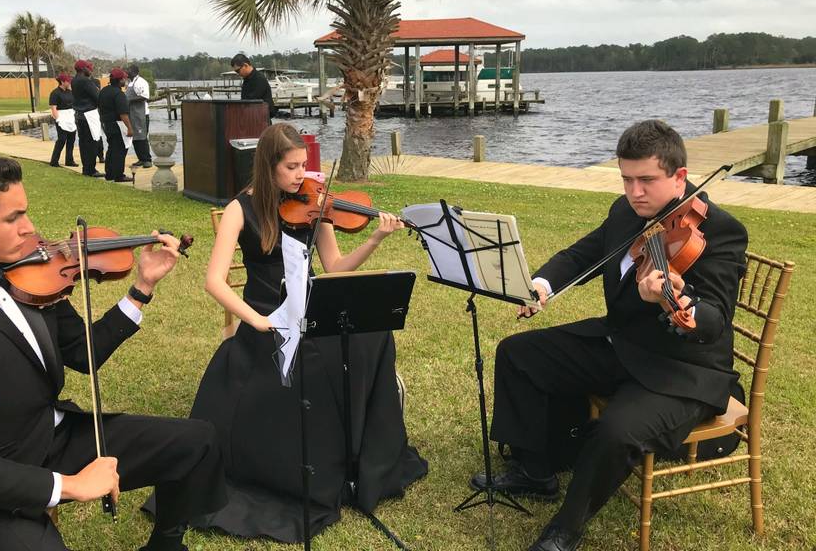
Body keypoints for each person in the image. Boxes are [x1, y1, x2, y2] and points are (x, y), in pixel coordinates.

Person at [0, 149, 226, 551]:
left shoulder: (27, 273)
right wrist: (70, 485)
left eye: (25, 212)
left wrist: (142, 288)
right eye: (13, 218)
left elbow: (82, 353)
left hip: (53, 437)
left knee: (197, 441)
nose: (32, 229)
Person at [146, 123, 427, 543]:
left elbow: (335, 267)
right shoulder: (241, 209)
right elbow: (215, 282)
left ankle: (359, 462)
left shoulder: (315, 205)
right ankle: (311, 470)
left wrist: (378, 238)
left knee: (374, 338)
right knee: (311, 367)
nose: (303, 175)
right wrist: (256, 321)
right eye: (292, 167)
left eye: (305, 165)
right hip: (266, 316)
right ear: (268, 166)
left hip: (311, 309)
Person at [481, 120, 748, 551]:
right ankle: (535, 470)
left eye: (646, 180)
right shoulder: (626, 211)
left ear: (680, 176)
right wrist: (542, 285)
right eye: (626, 179)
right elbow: (585, 253)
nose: (635, 191)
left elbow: (715, 318)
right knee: (519, 353)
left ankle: (565, 529)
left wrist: (675, 300)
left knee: (615, 431)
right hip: (622, 344)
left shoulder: (719, 230)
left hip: (681, 369)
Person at [97, 68, 134, 183]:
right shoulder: (119, 94)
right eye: (124, 78)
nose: (125, 80)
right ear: (119, 80)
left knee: (112, 148)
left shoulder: (103, 91)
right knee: (120, 149)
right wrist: (130, 128)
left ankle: (109, 174)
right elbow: (123, 114)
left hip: (106, 123)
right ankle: (118, 175)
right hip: (117, 124)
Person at [71, 60, 104, 178]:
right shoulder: (86, 81)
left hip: (79, 115)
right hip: (89, 114)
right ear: (83, 69)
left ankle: (86, 168)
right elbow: (97, 97)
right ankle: (91, 169)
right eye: (89, 68)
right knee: (93, 142)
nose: (91, 70)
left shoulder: (74, 80)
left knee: (83, 142)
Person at [230, 53, 274, 120]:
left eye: (238, 71)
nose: (238, 74)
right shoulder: (246, 80)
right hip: (250, 119)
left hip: (262, 121)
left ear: (245, 65)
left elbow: (251, 102)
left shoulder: (259, 79)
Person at [126, 64, 154, 169]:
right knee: (135, 137)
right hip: (132, 113)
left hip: (141, 114)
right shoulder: (131, 82)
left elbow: (144, 97)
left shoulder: (141, 82)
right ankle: (141, 158)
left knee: (142, 137)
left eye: (128, 70)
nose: (127, 72)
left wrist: (128, 100)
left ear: (134, 71)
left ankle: (147, 160)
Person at [48, 73, 78, 168]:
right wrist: (58, 119)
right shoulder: (55, 93)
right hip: (61, 116)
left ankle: (69, 160)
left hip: (70, 116)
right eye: (67, 81)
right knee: (62, 139)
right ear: (62, 82)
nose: (69, 82)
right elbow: (54, 108)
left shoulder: (70, 92)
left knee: (71, 139)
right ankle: (54, 160)